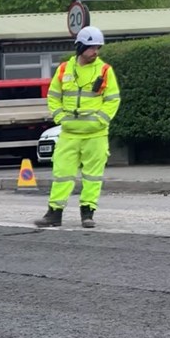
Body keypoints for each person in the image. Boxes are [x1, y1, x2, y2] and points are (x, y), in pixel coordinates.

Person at [34, 26, 121, 229]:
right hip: (69, 133)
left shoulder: (105, 70)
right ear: (80, 46)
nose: (95, 52)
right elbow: (53, 96)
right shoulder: (64, 69)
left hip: (96, 134)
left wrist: (100, 120)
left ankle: (87, 214)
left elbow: (112, 100)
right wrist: (60, 117)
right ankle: (54, 214)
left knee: (92, 176)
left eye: (98, 48)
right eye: (91, 47)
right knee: (62, 174)